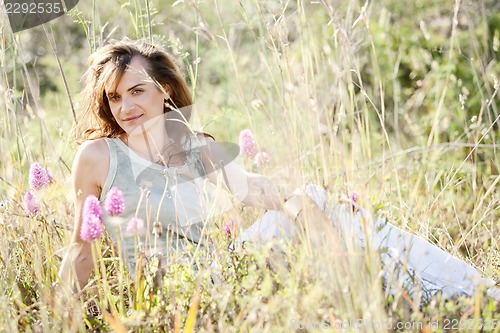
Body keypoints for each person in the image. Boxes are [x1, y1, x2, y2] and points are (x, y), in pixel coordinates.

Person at [58, 39, 498, 302]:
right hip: (177, 293)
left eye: (137, 91)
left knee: (320, 207)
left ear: (165, 89)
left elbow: (257, 190)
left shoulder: (192, 149)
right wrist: (55, 317)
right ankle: (461, 297)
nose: (126, 107)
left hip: (225, 273)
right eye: (115, 98)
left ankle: (465, 295)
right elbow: (81, 249)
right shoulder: (98, 157)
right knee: (319, 208)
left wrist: (308, 213)